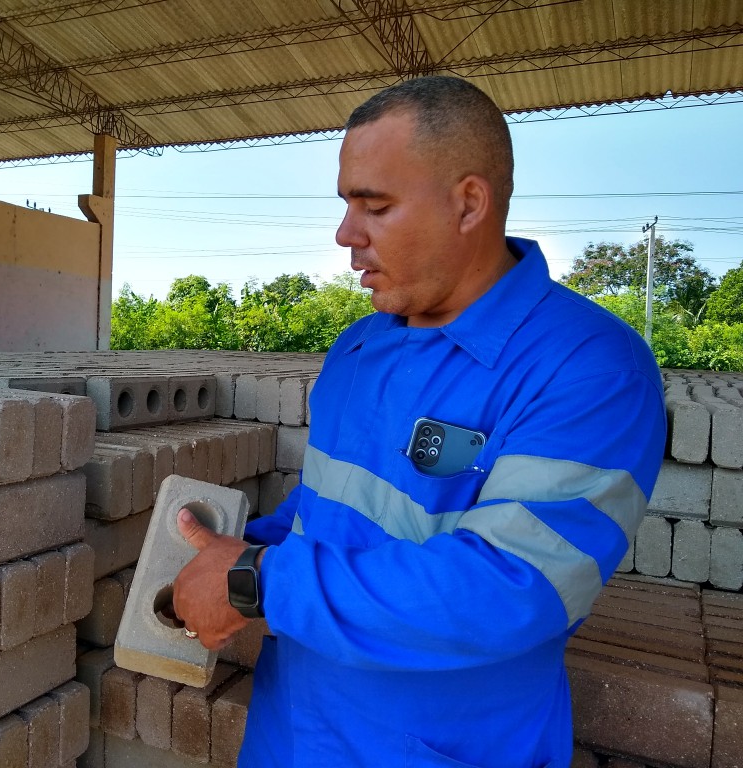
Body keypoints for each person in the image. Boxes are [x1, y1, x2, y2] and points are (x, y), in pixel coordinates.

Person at [172, 76, 667, 768]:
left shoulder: (588, 369)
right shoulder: (358, 349)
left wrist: (258, 580)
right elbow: (333, 508)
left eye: (373, 206)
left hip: (437, 747)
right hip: (292, 733)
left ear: (469, 204)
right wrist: (231, 546)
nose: (346, 235)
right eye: (346, 205)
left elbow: (510, 584)